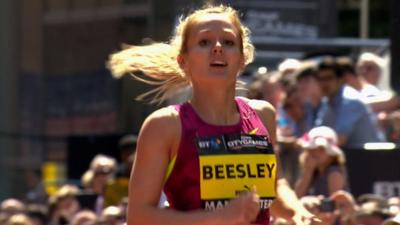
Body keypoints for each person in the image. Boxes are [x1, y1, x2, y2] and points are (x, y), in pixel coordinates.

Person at [108, 4, 314, 225]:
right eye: (204, 42)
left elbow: (275, 186)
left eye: (228, 42)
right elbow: (139, 217)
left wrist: (297, 213)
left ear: (242, 59)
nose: (218, 48)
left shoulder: (263, 114)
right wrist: (218, 217)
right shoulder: (165, 126)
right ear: (183, 61)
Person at [295, 126, 348, 197]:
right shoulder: (311, 171)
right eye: (311, 148)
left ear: (331, 154)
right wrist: (308, 171)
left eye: (321, 149)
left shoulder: (334, 173)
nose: (315, 152)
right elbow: (297, 196)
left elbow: (335, 203)